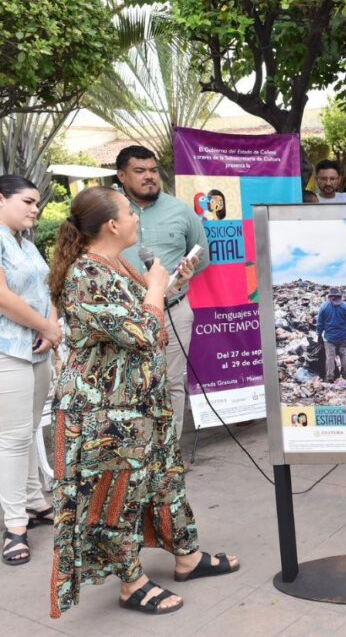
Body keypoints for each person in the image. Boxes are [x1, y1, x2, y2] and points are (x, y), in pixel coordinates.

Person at [47, 186, 238, 617]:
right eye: (130, 214)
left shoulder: (112, 264)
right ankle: (131, 583)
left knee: (163, 480)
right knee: (120, 495)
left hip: (141, 403)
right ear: (113, 224)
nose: (137, 219)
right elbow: (141, 333)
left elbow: (139, 317)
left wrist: (169, 287)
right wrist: (154, 284)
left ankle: (185, 555)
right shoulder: (85, 275)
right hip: (107, 412)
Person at [115, 146, 208, 440]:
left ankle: (168, 457)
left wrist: (185, 272)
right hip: (121, 316)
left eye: (153, 170)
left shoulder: (180, 209)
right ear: (121, 175)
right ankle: (134, 456)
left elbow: (201, 256)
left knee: (170, 384)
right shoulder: (106, 209)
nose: (149, 177)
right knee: (126, 384)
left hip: (173, 312)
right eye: (139, 171)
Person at [0, 176, 60, 567]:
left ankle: (36, 503)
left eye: (37, 203)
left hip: (39, 349)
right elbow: (3, 297)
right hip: (9, 351)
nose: (34, 210)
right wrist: (45, 327)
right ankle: (14, 526)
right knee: (13, 438)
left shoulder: (25, 242)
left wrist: (51, 327)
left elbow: (48, 288)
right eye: (27, 202)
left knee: (32, 427)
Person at [316, 287, 346, 388]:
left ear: (329, 297)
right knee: (344, 357)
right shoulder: (345, 307)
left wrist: (319, 335)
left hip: (329, 338)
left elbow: (320, 323)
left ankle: (329, 378)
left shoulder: (324, 307)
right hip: (343, 336)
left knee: (330, 358)